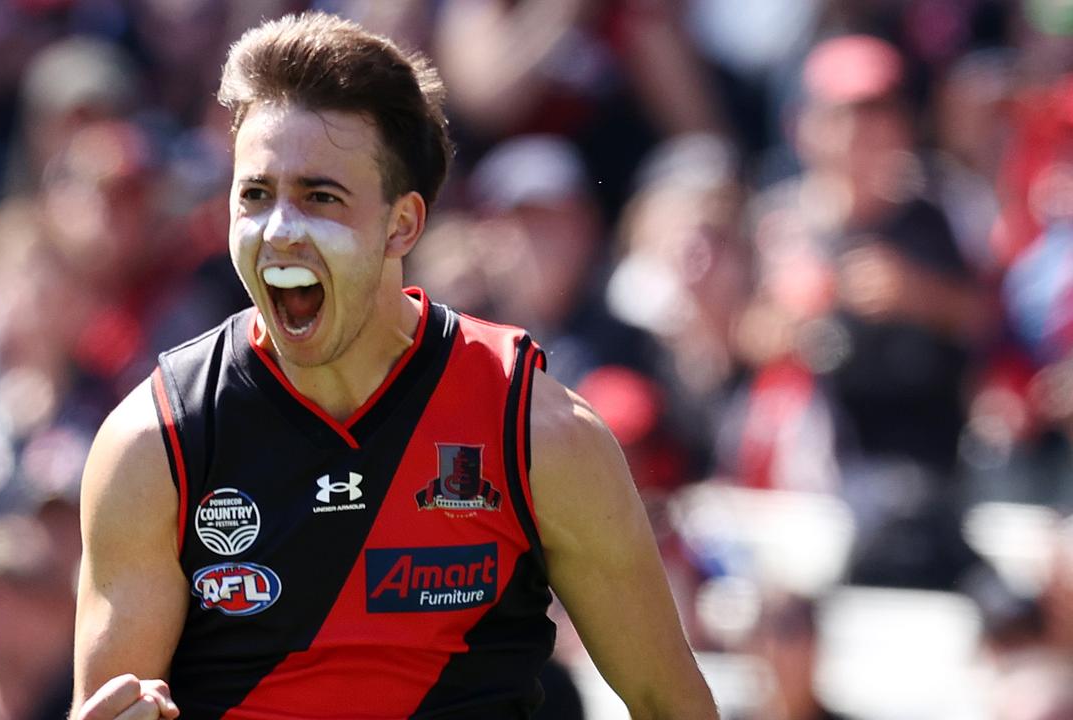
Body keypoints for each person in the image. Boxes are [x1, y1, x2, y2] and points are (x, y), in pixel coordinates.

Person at [71, 12, 716, 720]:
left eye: (320, 196)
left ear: (403, 224)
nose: (280, 231)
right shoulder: (155, 443)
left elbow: (667, 701)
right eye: (255, 194)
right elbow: (112, 708)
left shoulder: (534, 429)